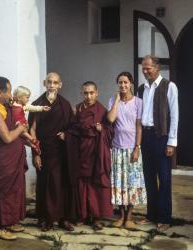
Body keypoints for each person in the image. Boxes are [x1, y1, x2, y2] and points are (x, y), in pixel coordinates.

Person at [28, 72, 78, 231]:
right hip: (44, 151)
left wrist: (66, 135)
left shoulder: (65, 104)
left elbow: (72, 127)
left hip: (62, 152)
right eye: (49, 82)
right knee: (45, 185)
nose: (52, 85)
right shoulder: (37, 104)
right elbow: (32, 130)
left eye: (55, 82)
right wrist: (36, 153)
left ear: (60, 85)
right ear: (44, 83)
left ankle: (63, 219)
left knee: (63, 184)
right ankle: (46, 219)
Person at [0, 77, 28, 240]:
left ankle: (11, 222)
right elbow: (7, 137)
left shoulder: (2, 105)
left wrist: (13, 106)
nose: (11, 94)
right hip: (3, 158)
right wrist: (21, 127)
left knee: (15, 190)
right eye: (8, 91)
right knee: (4, 191)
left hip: (13, 156)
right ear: (0, 93)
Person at [138, 55, 179, 232]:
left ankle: (164, 217)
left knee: (164, 179)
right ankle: (151, 215)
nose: (145, 71)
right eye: (143, 68)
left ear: (157, 67)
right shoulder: (141, 89)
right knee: (148, 178)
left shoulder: (169, 86)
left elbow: (175, 116)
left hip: (161, 138)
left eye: (148, 68)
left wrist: (171, 142)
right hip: (146, 138)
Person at [107, 72, 146, 229]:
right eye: (120, 83)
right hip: (116, 148)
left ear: (131, 84)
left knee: (132, 183)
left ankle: (129, 216)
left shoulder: (138, 102)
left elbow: (139, 126)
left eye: (125, 82)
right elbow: (110, 119)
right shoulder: (112, 100)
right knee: (118, 183)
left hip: (132, 148)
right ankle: (121, 216)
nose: (123, 85)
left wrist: (137, 147)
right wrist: (116, 101)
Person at [72, 81, 113, 230]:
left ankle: (96, 217)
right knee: (81, 184)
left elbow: (110, 131)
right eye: (85, 93)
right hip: (81, 151)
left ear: (97, 93)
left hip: (95, 152)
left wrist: (102, 129)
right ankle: (82, 215)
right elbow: (73, 127)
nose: (88, 96)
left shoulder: (101, 111)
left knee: (95, 184)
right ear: (82, 93)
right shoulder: (77, 109)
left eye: (91, 93)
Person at [12, 85, 50, 155]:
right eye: (27, 97)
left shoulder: (24, 106)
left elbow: (33, 108)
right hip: (17, 126)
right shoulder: (12, 105)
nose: (28, 99)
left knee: (22, 133)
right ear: (19, 97)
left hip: (23, 125)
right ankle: (34, 144)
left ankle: (33, 141)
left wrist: (42, 108)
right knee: (23, 137)